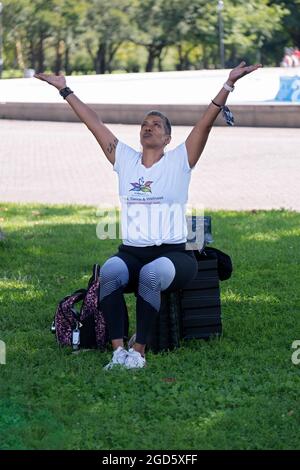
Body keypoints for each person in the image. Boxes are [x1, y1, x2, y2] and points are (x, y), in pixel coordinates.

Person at [34, 60, 262, 370]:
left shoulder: (180, 161)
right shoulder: (125, 160)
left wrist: (228, 84)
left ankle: (138, 352)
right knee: (110, 272)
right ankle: (118, 351)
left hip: (174, 256)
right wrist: (65, 90)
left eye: (156, 124)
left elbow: (205, 123)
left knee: (151, 275)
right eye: (145, 123)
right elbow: (94, 124)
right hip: (132, 252)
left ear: (168, 138)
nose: (148, 126)